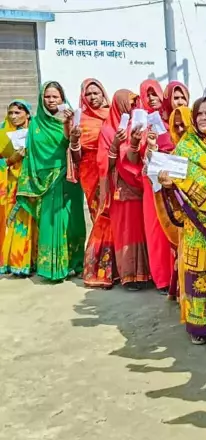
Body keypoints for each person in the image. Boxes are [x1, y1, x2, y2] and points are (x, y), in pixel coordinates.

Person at [157, 97, 206, 345]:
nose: (204, 118)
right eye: (200, 114)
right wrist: (168, 184)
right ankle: (200, 327)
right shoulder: (185, 148)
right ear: (193, 118)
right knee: (200, 270)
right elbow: (179, 183)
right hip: (197, 225)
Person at [15, 81, 85, 282]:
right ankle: (54, 269)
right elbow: (31, 155)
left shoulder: (72, 120)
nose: (51, 100)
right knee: (51, 223)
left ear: (62, 98)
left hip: (69, 178)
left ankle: (77, 263)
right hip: (45, 183)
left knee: (73, 222)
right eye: (47, 96)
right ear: (41, 99)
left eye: (55, 96)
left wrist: (69, 125)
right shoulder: (35, 125)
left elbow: (77, 150)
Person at [96, 90, 151, 290]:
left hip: (138, 185)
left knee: (140, 229)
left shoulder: (138, 127)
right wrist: (116, 145)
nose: (133, 107)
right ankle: (128, 275)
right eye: (129, 104)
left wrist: (136, 142)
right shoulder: (108, 130)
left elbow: (141, 157)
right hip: (119, 189)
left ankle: (144, 273)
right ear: (119, 105)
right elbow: (104, 164)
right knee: (125, 231)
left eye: (135, 103)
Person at [138, 79, 176, 293]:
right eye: (148, 94)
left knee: (173, 225)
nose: (152, 98)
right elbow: (134, 156)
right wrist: (148, 145)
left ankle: (175, 277)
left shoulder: (174, 120)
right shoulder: (141, 124)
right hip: (151, 181)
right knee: (156, 229)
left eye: (155, 94)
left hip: (173, 179)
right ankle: (162, 278)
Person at [79, 79, 117, 288]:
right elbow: (75, 152)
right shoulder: (80, 119)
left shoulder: (112, 114)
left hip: (112, 170)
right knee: (100, 216)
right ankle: (100, 269)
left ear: (103, 93)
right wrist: (73, 139)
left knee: (113, 216)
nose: (93, 97)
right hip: (91, 172)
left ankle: (117, 267)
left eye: (96, 92)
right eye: (89, 94)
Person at [0, 100, 35, 276]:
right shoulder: (3, 133)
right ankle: (15, 262)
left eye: (18, 113)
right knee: (16, 222)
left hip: (34, 182)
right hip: (12, 185)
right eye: (11, 113)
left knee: (33, 221)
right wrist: (10, 160)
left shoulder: (37, 131)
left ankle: (33, 260)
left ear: (27, 114)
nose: (13, 116)